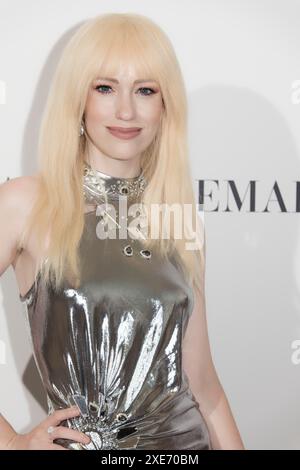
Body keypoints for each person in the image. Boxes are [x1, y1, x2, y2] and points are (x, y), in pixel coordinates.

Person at [0, 13, 244, 450]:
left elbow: (206, 390)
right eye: (105, 88)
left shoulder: (177, 218)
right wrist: (12, 443)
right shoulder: (25, 203)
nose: (126, 110)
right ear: (79, 98)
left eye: (146, 90)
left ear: (165, 105)